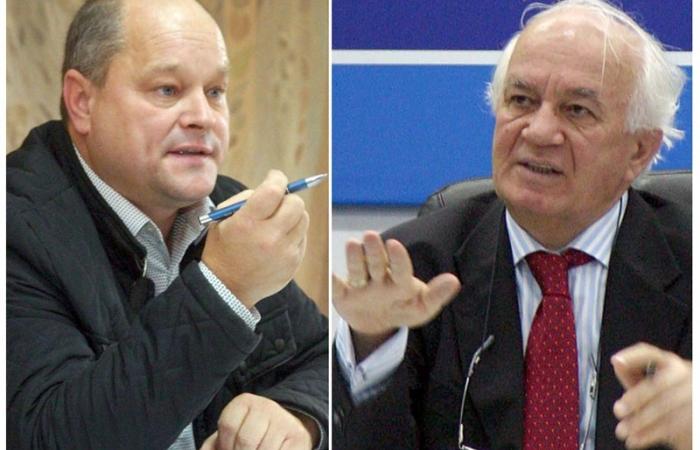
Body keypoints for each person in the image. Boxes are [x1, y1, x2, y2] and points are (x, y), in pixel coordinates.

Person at [332, 1, 691, 449]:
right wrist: (371, 344)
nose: (538, 132)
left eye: (577, 110)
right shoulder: (416, 267)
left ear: (639, 150)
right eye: (521, 101)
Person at [7, 0, 328, 449]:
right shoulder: (16, 227)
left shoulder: (227, 208)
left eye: (215, 91)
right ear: (82, 102)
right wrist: (224, 289)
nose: (203, 116)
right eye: (167, 90)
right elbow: (51, 436)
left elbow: (321, 361)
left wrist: (298, 416)